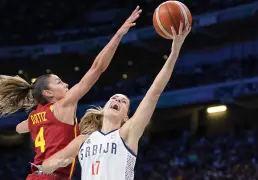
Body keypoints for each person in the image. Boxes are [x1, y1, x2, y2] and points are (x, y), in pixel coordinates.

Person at [0, 6, 142, 180]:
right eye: (59, 82)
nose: (66, 84)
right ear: (48, 92)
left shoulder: (36, 117)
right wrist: (119, 34)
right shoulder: (64, 105)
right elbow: (97, 68)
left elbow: (18, 128)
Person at [40, 23, 191, 180]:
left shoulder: (127, 132)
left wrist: (174, 53)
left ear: (126, 117)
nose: (117, 99)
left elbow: (154, 92)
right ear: (104, 109)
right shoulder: (83, 140)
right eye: (114, 98)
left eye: (123, 101)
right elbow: (47, 165)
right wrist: (59, 160)